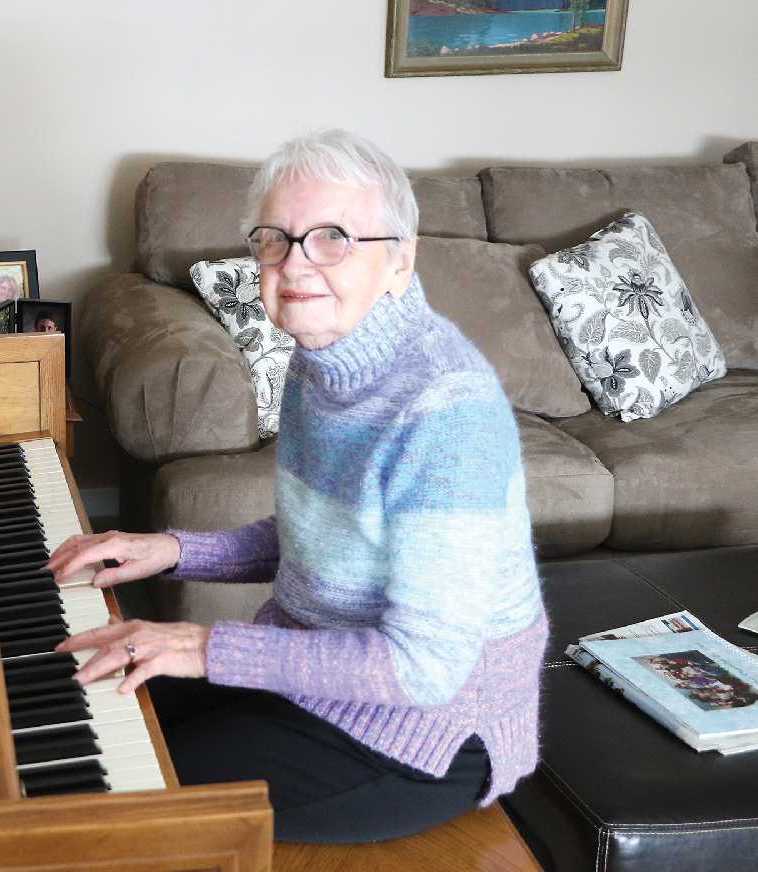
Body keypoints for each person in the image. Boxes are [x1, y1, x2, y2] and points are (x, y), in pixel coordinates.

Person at [45, 129, 547, 844]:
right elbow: (329, 540)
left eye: (333, 237)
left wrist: (202, 647)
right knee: (86, 693)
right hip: (314, 679)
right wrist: (174, 551)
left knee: (112, 803)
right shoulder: (324, 365)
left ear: (400, 260)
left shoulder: (446, 416)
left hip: (424, 735)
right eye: (274, 239)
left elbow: (425, 669)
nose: (295, 263)